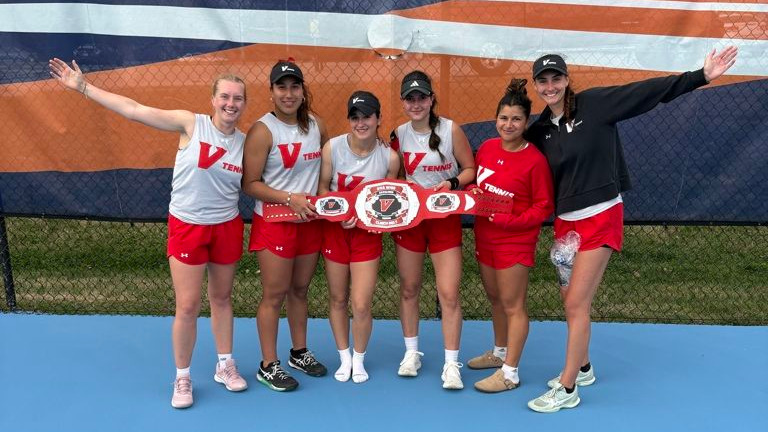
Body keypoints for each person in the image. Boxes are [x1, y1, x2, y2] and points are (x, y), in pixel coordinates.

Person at [524, 47, 738, 412]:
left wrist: (700, 76)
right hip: (566, 224)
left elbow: (647, 92)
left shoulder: (594, 105)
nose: (550, 86)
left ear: (566, 79)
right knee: (569, 301)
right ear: (535, 86)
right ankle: (585, 367)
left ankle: (568, 386)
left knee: (577, 302)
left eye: (556, 78)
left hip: (602, 215)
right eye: (542, 81)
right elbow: (517, 168)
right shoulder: (539, 131)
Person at [48, 59, 250, 408]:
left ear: (245, 103)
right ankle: (183, 377)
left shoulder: (248, 143)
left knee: (222, 298)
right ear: (213, 99)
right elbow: (135, 110)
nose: (231, 104)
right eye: (225, 97)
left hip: (227, 225)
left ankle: (224, 365)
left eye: (238, 98)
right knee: (187, 305)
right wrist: (83, 87)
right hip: (188, 225)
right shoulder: (191, 124)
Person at [242, 59, 329, 392]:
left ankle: (299, 352)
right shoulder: (263, 130)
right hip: (275, 223)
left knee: (300, 290)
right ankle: (268, 364)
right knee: (274, 294)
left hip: (309, 222)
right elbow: (249, 183)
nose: (289, 94)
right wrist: (288, 198)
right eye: (282, 87)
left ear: (302, 90)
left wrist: (325, 201)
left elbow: (326, 170)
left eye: (294, 87)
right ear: (272, 92)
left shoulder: (318, 126)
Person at [390, 70, 476, 389]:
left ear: (431, 99)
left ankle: (451, 363)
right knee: (409, 287)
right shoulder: (397, 134)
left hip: (444, 219)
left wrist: (451, 184)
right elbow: (395, 177)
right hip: (411, 221)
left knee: (449, 292)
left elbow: (470, 169)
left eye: (421, 97)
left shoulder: (451, 129)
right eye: (410, 98)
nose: (416, 104)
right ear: (403, 102)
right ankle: (412, 352)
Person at [467, 79, 554, 393]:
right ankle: (499, 353)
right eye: (503, 118)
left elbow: (544, 206)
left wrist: (512, 221)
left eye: (516, 119)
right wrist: (473, 193)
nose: (509, 124)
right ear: (496, 120)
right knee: (495, 299)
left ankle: (510, 374)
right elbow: (479, 188)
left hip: (514, 241)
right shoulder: (488, 149)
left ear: (526, 122)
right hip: (485, 238)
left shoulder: (535, 161)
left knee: (513, 304)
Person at [318, 91, 400, 383]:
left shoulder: (389, 157)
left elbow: (391, 200)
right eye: (355, 117)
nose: (361, 123)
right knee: (338, 298)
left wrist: (379, 222)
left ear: (378, 119)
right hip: (335, 232)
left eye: (367, 116)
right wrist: (339, 214)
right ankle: (344, 356)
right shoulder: (332, 148)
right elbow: (323, 189)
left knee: (362, 302)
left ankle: (360, 358)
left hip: (367, 237)